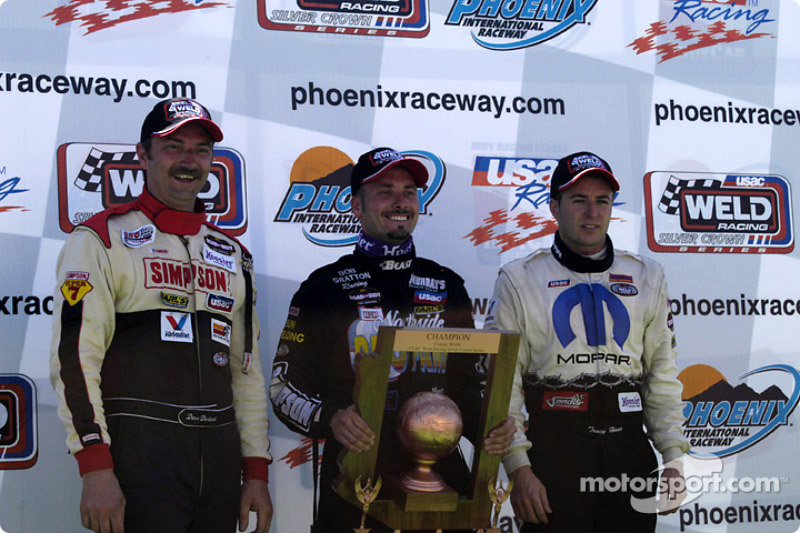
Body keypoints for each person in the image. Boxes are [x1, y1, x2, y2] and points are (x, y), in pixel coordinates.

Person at [50, 98, 273, 533]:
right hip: (141, 460)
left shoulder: (233, 254)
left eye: (201, 150)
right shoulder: (100, 239)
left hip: (219, 463)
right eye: (173, 147)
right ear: (143, 154)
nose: (189, 161)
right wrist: (95, 465)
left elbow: (246, 373)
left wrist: (256, 472)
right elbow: (76, 360)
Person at [269, 147, 514, 533]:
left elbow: (468, 387)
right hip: (354, 480)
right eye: (385, 191)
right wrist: (332, 416)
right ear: (356, 205)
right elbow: (283, 388)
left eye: (409, 191)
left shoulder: (447, 285)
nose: (400, 201)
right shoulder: (323, 288)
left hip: (441, 482)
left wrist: (490, 425)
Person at [484, 151, 690, 532]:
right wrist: (518, 467)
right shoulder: (519, 279)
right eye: (579, 200)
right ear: (554, 207)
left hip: (629, 452)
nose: (592, 213)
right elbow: (502, 383)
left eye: (602, 201)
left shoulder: (646, 275)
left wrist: (674, 458)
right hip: (555, 454)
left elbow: (662, 375)